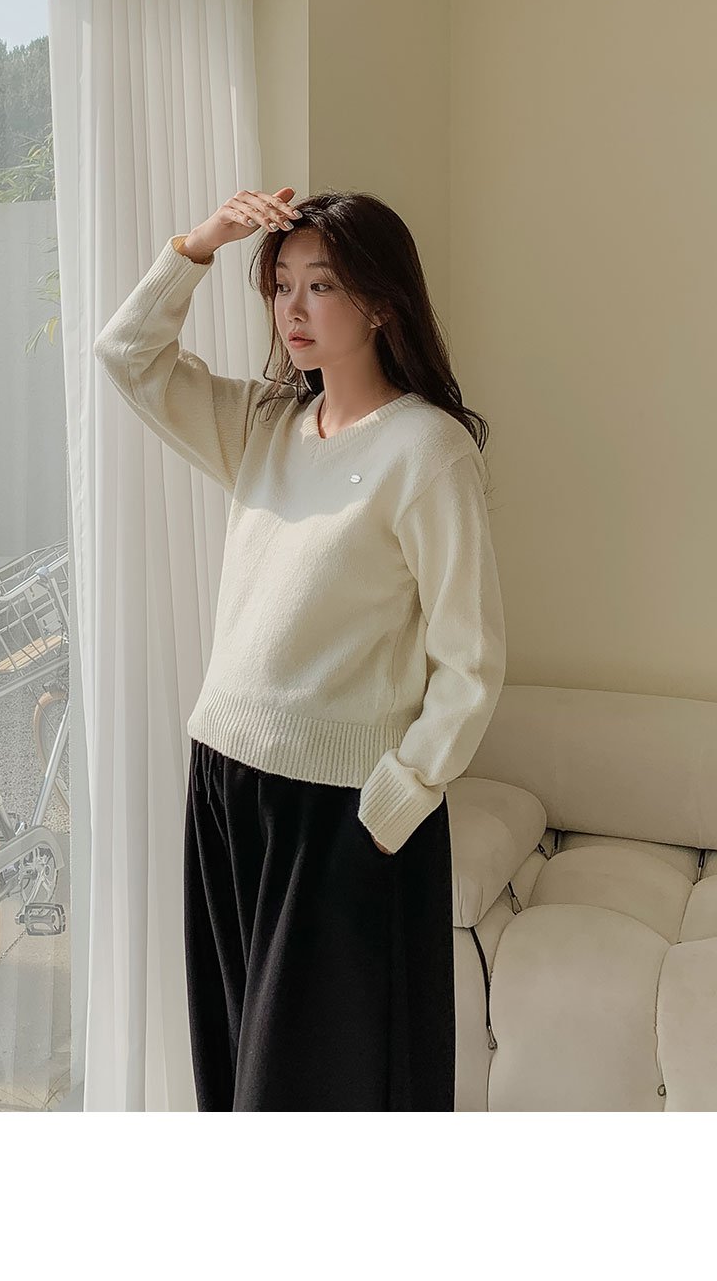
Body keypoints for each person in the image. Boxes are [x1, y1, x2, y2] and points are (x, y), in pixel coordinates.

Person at [94, 186, 507, 1111]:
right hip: (223, 781)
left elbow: (471, 658)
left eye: (320, 285)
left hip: (341, 808)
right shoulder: (265, 425)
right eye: (281, 285)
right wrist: (200, 245)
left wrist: (399, 798)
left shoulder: (427, 451)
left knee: (314, 1090)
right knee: (233, 1069)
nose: (293, 308)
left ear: (382, 303)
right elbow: (127, 355)